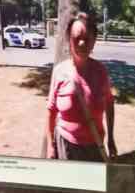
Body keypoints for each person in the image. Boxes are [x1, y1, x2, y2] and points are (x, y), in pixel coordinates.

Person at [46, 12, 117, 161]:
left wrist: (111, 139)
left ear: (94, 41)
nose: (82, 43)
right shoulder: (59, 71)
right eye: (77, 38)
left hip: (94, 147)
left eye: (87, 38)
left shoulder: (101, 71)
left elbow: (109, 105)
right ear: (69, 40)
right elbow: (51, 111)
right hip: (65, 146)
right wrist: (50, 146)